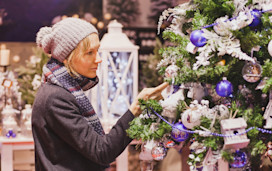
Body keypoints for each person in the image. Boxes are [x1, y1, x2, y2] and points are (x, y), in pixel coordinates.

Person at [32, 17, 168, 171]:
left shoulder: (63, 90)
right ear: (67, 57)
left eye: (97, 50)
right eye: (89, 53)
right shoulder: (56, 98)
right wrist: (135, 109)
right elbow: (102, 151)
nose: (98, 59)